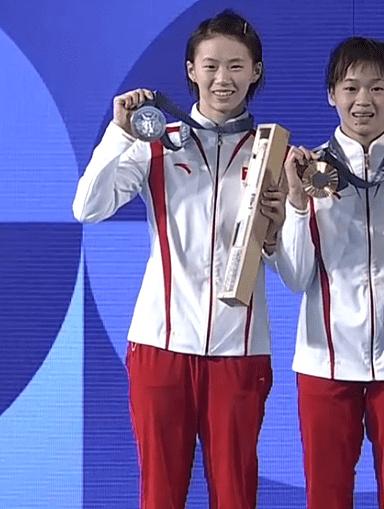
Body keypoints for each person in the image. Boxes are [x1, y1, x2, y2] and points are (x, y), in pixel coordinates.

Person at [72, 9, 284, 509]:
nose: (222, 78)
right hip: (160, 346)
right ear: (191, 70)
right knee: (160, 495)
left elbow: (289, 264)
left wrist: (279, 228)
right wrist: (121, 134)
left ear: (255, 71)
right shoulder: (157, 143)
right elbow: (88, 207)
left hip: (240, 350)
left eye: (236, 66)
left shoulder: (274, 151)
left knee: (236, 495)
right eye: (210, 65)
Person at [274, 36, 384, 509]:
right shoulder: (306, 170)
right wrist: (295, 203)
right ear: (332, 95)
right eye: (350, 88)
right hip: (325, 361)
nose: (362, 101)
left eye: (376, 88)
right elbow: (293, 277)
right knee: (326, 498)